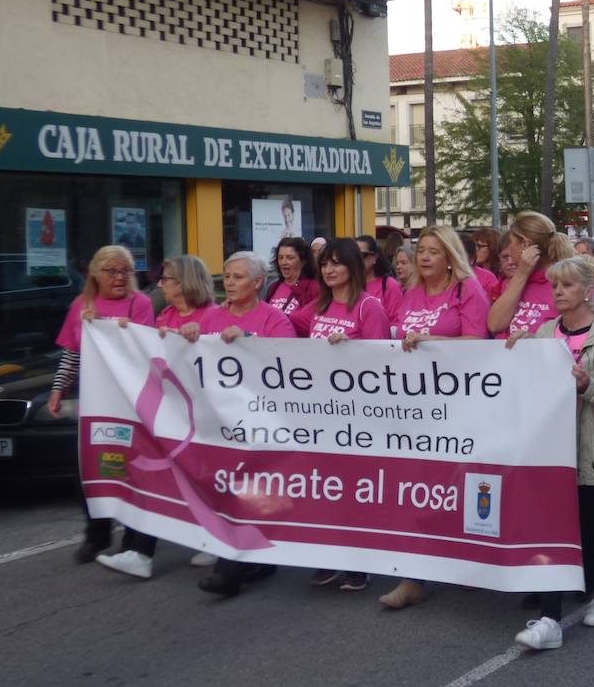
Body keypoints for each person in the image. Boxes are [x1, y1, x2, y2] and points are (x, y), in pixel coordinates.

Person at [511, 257, 594, 651]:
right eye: (554, 287)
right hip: (552, 449)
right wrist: (514, 348)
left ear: (587, 290)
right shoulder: (545, 332)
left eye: (565, 286)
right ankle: (549, 618)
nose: (558, 293)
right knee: (553, 528)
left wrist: (588, 385)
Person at [377, 226, 491, 610]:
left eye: (432, 251)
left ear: (450, 257)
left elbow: (480, 343)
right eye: (420, 251)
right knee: (416, 487)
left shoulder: (467, 290)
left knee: (459, 486)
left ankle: (473, 561)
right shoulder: (410, 293)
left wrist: (434, 342)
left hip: (459, 403)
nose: (423, 258)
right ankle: (414, 578)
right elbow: (397, 338)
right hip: (416, 407)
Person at [194, 251, 297, 597]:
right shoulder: (211, 316)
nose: (229, 282)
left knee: (246, 489)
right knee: (228, 488)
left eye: (238, 277)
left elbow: (290, 362)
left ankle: (229, 571)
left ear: (257, 283)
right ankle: (258, 559)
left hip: (259, 421)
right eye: (226, 275)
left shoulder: (274, 319)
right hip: (217, 421)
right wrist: (186, 334)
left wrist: (249, 340)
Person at [292, 238, 390, 589]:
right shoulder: (316, 308)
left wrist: (352, 351)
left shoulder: (369, 308)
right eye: (324, 264)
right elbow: (279, 331)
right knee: (327, 488)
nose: (329, 270)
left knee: (356, 491)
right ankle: (331, 555)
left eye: (337, 263)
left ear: (354, 267)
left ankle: (358, 564)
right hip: (322, 414)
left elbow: (383, 363)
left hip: (359, 416)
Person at [47, 246, 155, 563]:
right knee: (90, 472)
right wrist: (58, 389)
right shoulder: (81, 306)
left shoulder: (141, 304)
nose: (120, 277)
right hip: (94, 406)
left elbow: (145, 349)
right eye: (112, 271)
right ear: (95, 274)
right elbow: (72, 354)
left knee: (131, 473)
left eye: (125, 271)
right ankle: (97, 534)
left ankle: (134, 541)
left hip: (129, 406)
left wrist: (112, 331)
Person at [488, 211, 576, 336]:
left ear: (526, 244)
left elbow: (576, 335)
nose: (509, 248)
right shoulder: (518, 279)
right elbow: (494, 324)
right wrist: (521, 274)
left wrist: (535, 340)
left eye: (512, 242)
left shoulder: (563, 283)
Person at [265, 237, 319, 315]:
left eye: (290, 258)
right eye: (280, 258)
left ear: (303, 261)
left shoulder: (313, 288)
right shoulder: (273, 287)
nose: (284, 262)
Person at [358, 234, 404, 319]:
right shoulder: (348, 285)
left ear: (375, 257)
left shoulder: (389, 285)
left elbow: (396, 321)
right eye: (354, 255)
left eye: (363, 255)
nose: (358, 260)